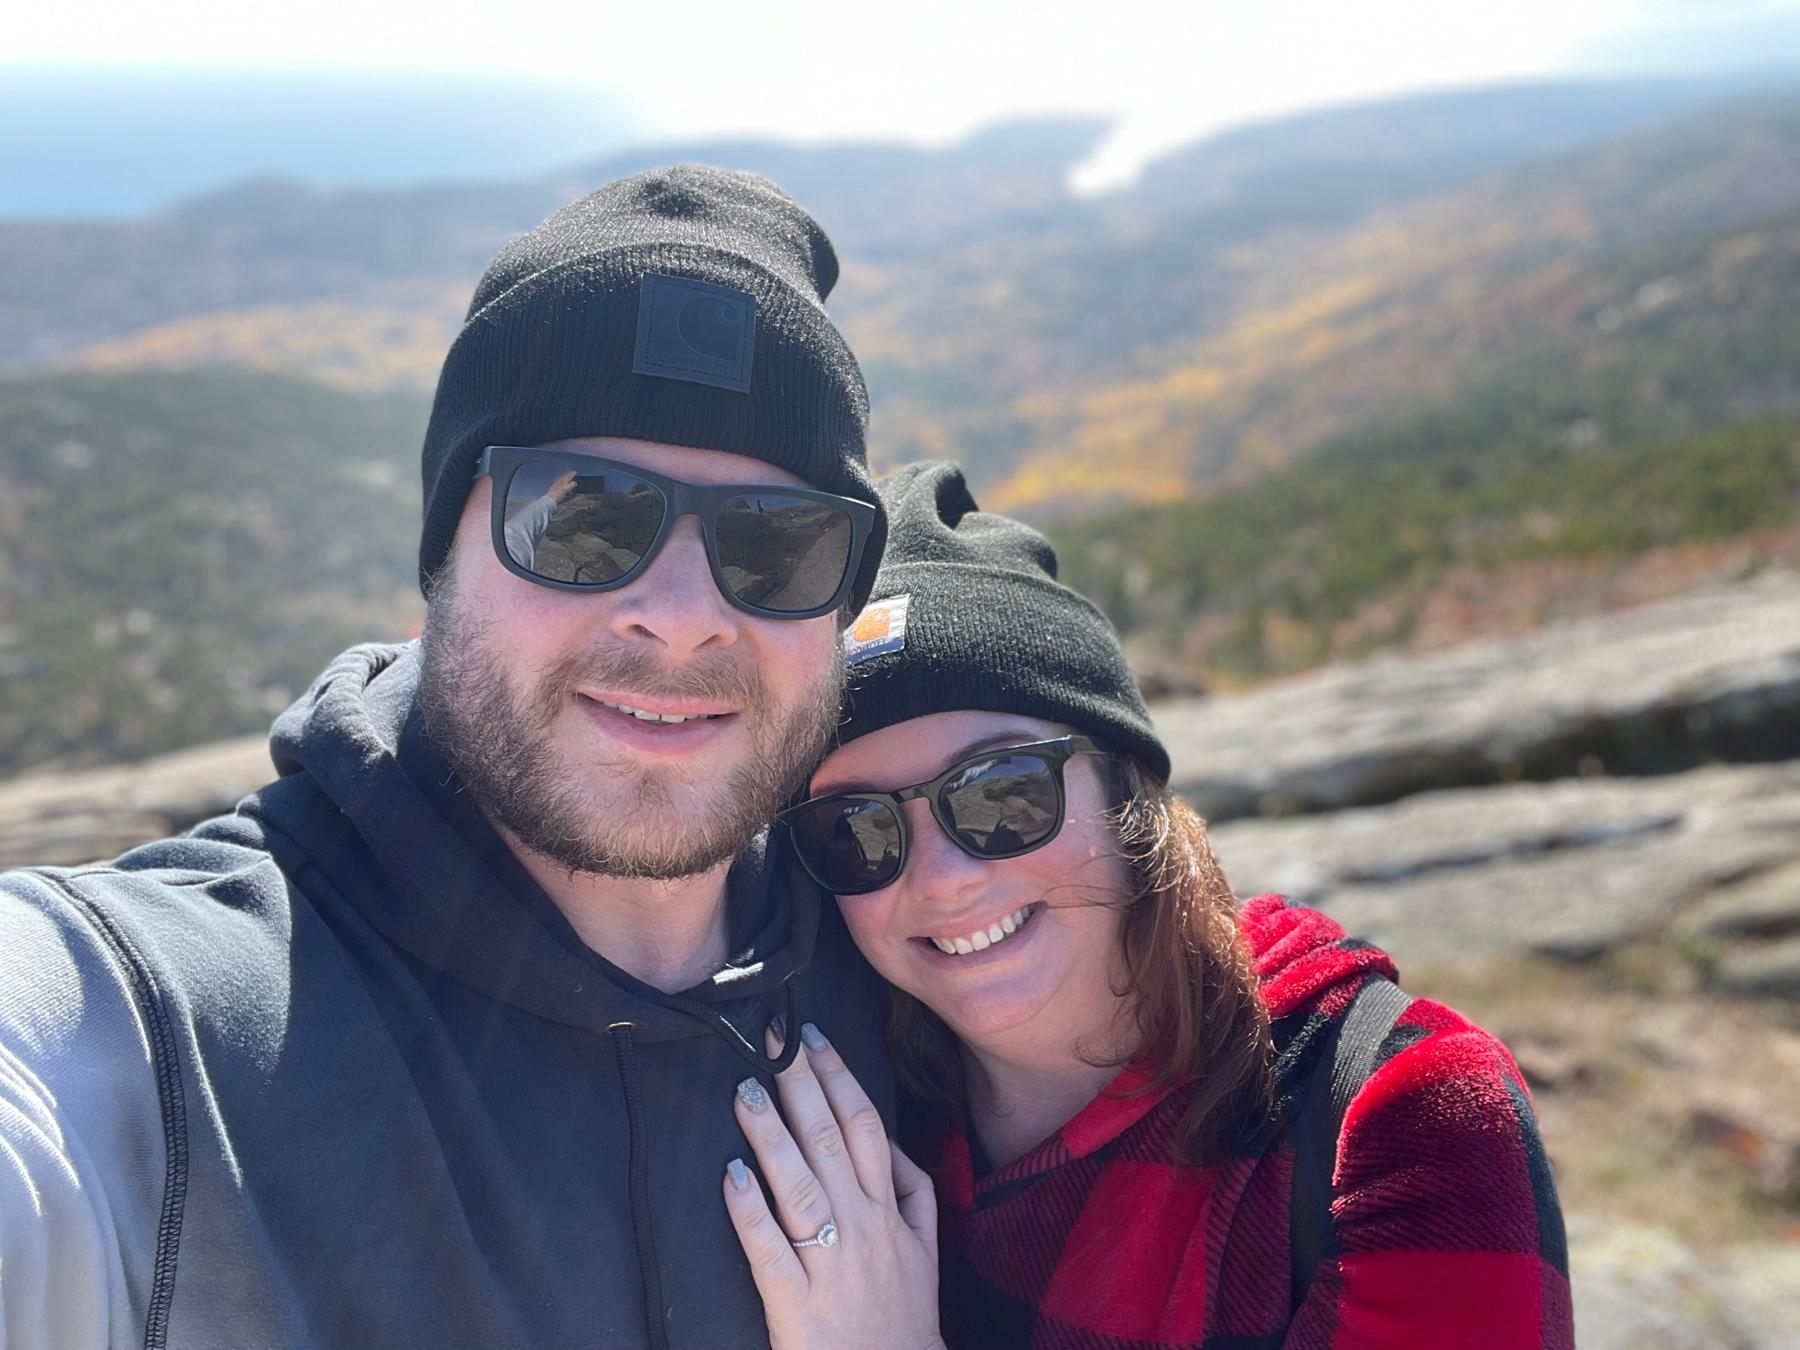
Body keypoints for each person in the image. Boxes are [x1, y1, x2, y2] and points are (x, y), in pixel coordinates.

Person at [0, 166, 897, 1349]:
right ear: (442, 557)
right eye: (585, 517)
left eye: (777, 546)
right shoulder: (170, 1046)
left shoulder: (909, 957)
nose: (681, 615)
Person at [720, 461, 1575, 1349]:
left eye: (1002, 794)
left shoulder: (1396, 1116)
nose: (941, 879)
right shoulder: (862, 1108)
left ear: (1124, 788)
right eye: (855, 831)